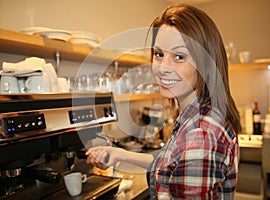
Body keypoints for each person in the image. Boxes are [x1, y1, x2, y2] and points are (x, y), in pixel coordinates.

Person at [86, 3, 241, 199]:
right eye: (159, 54)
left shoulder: (200, 135)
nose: (162, 68)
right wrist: (119, 154)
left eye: (179, 56)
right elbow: (173, 166)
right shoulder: (198, 115)